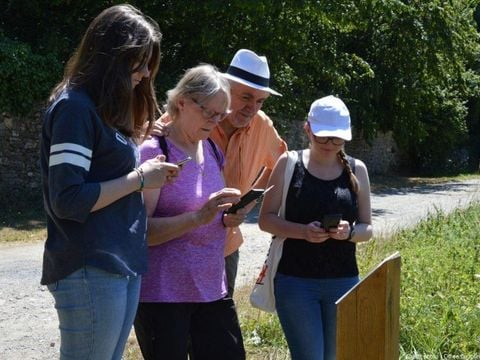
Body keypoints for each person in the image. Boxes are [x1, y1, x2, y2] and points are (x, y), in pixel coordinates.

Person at [39, 5, 179, 360]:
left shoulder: (101, 110)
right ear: (113, 57)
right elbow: (68, 199)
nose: (147, 73)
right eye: (140, 61)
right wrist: (140, 179)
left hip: (118, 264)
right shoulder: (74, 108)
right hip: (89, 266)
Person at [133, 64, 246, 360]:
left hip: (211, 288)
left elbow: (209, 212)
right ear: (182, 101)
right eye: (209, 112)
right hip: (163, 295)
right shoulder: (153, 151)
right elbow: (140, 233)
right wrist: (198, 218)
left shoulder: (210, 147)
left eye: (221, 115)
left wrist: (227, 217)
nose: (214, 121)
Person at [155, 49, 288, 296]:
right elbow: (149, 149)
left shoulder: (262, 125)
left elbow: (281, 164)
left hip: (224, 247)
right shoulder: (188, 118)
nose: (252, 108)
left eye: (260, 101)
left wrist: (246, 205)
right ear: (225, 88)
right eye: (246, 97)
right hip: (176, 245)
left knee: (217, 330)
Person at [258, 95, 373, 360]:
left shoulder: (358, 169)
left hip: (344, 281)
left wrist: (349, 233)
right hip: (295, 282)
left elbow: (368, 228)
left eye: (337, 139)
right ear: (307, 128)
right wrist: (303, 232)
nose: (330, 145)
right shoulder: (288, 164)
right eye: (323, 137)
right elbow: (266, 219)